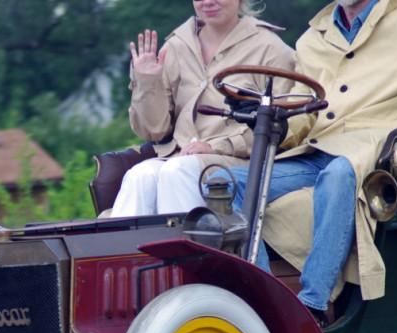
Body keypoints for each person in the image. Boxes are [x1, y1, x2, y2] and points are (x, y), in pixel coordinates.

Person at [221, 0, 397, 325]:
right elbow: (303, 115)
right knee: (222, 183)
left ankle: (311, 308)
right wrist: (268, 120)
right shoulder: (313, 39)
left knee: (339, 172)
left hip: (376, 153)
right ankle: (265, 301)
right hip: (315, 151)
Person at [110, 0, 295, 217]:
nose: (207, 2)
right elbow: (154, 131)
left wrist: (216, 147)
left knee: (177, 172)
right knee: (139, 175)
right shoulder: (175, 47)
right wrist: (147, 82)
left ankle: (191, 250)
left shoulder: (271, 49)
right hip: (178, 157)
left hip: (240, 162)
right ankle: (121, 251)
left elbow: (284, 129)